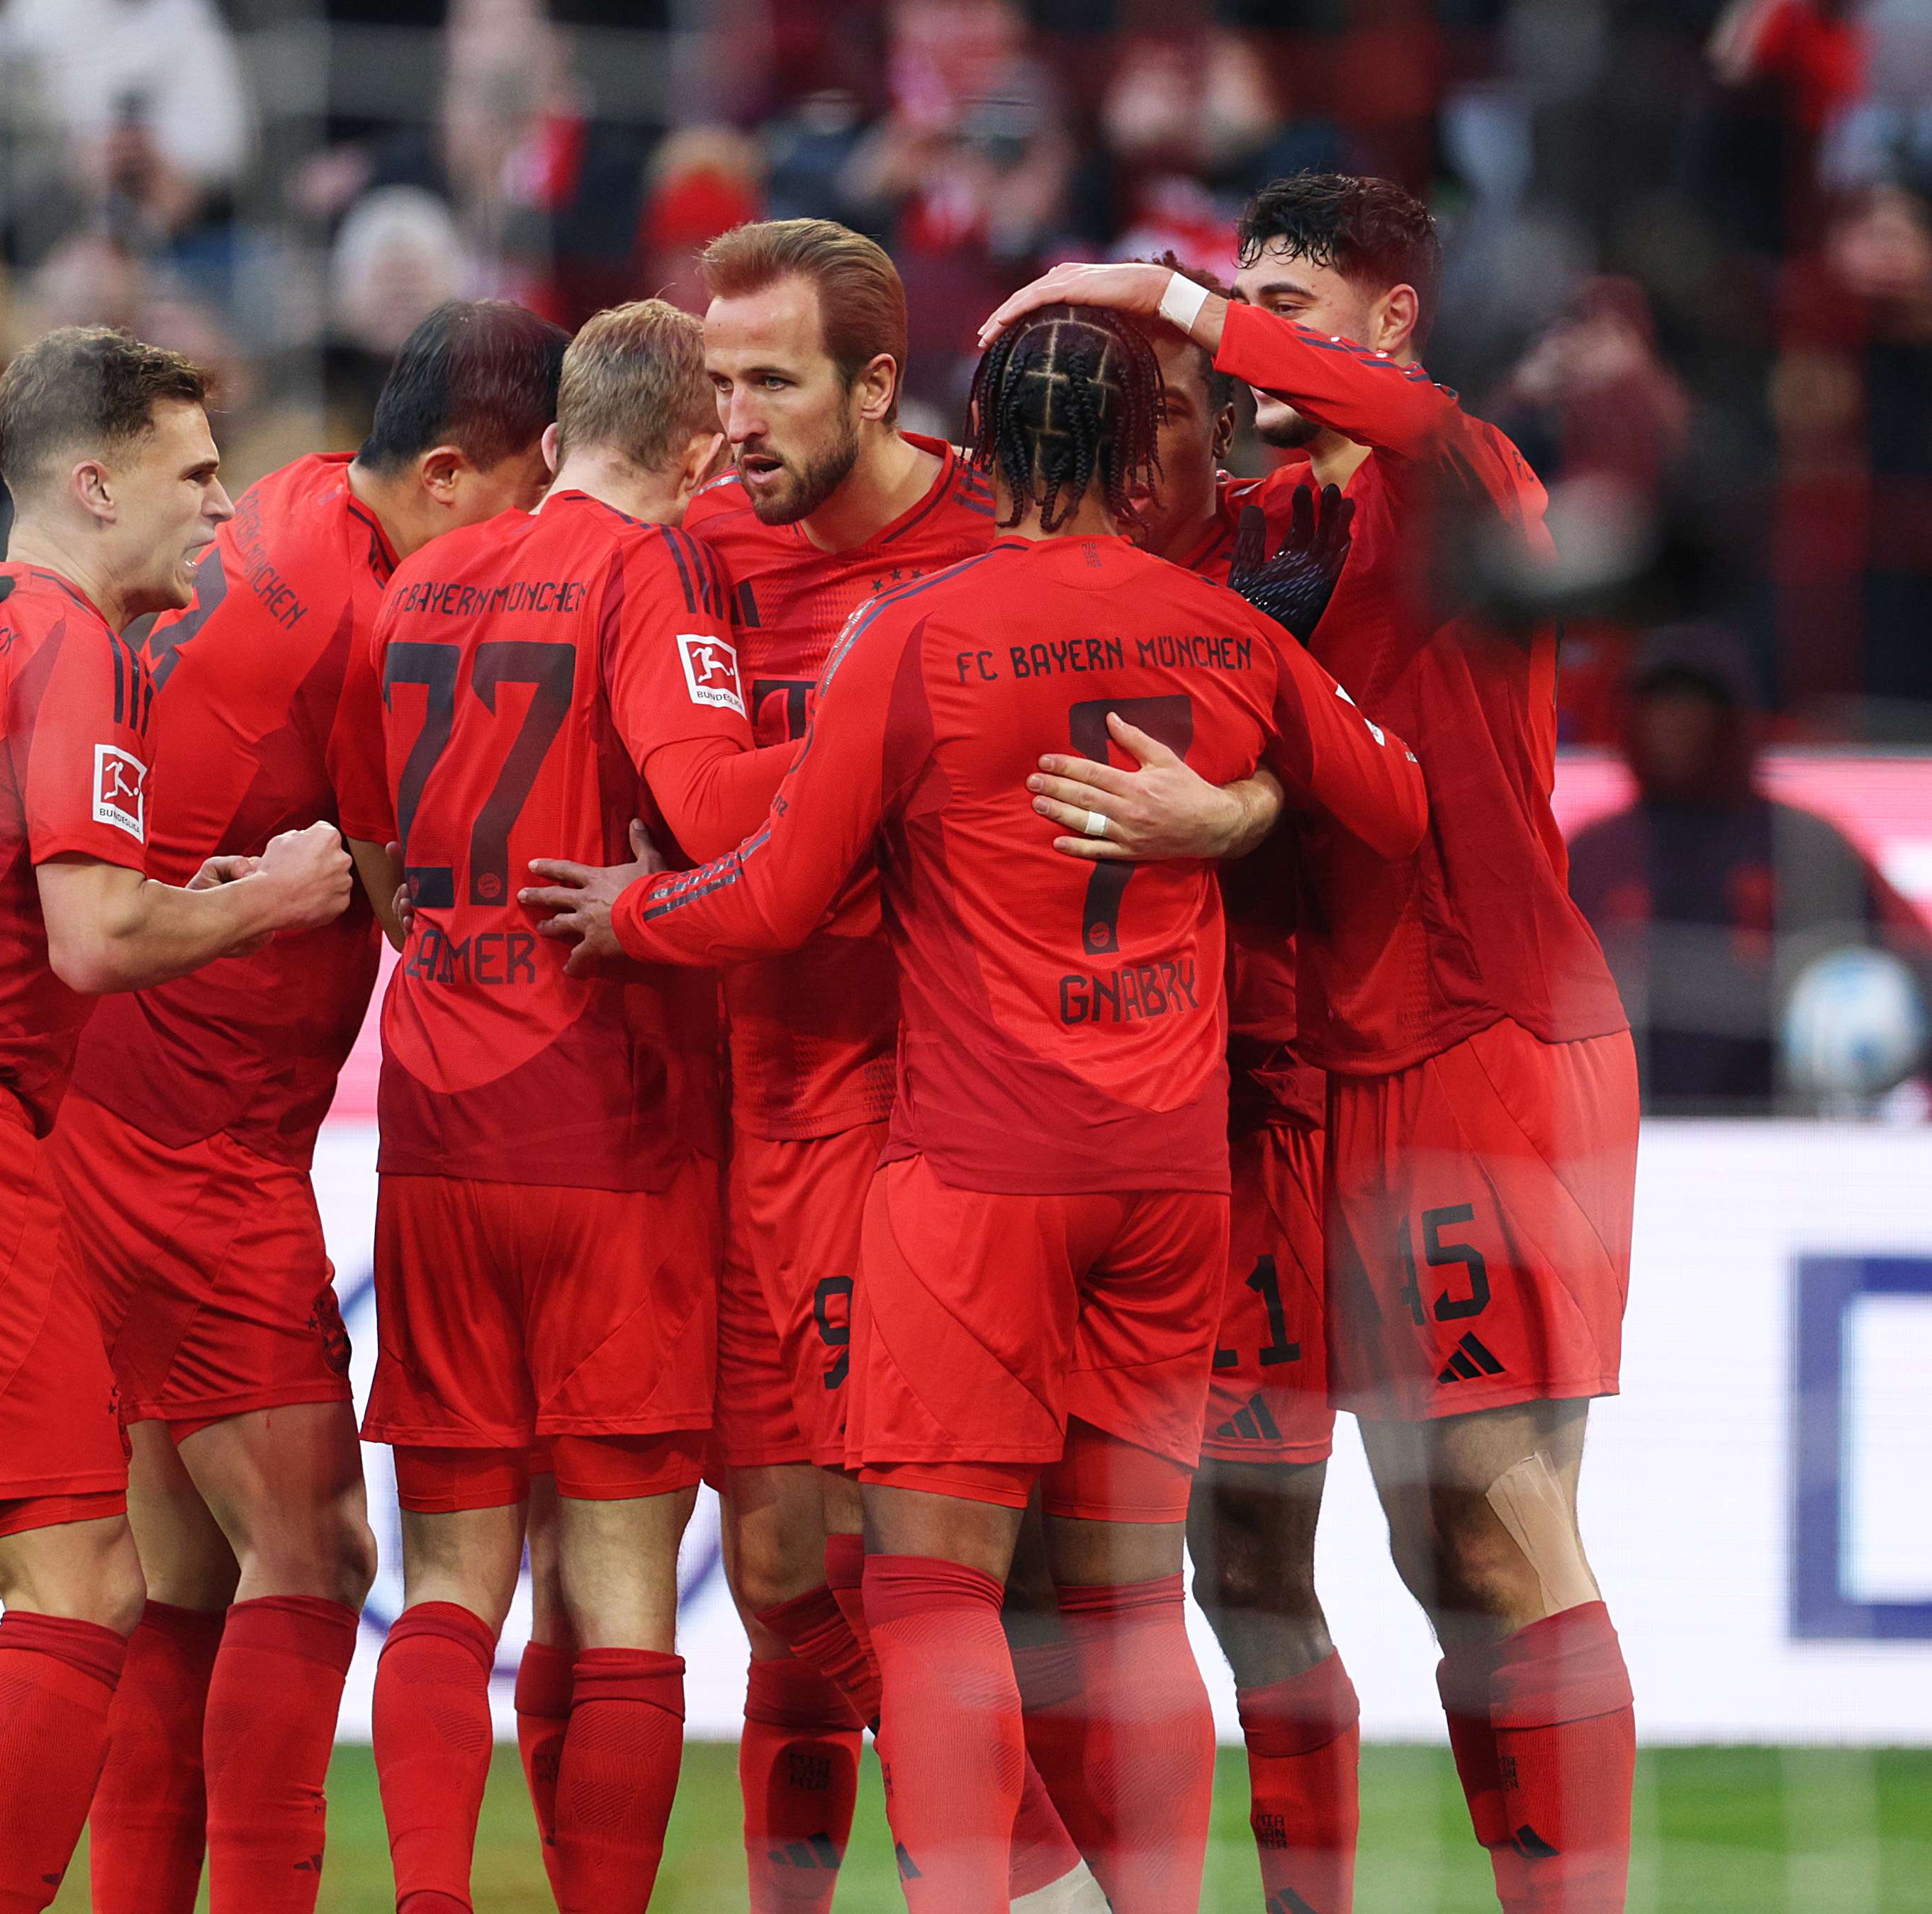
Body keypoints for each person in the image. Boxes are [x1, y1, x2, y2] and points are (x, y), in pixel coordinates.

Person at [523, 298, 1426, 1914]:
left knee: (931, 1587)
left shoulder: (915, 633)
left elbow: (777, 893)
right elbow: (1397, 800)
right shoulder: (1228, 629)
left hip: (972, 1174)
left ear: (987, 444)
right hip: (1164, 1178)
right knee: (1127, 1599)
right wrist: (1234, 804)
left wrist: (631, 915)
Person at [993, 171, 1646, 1908]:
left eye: (1288, 298)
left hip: (1471, 1046)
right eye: (1244, 293)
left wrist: (1160, 289)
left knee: (1481, 1535)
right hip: (1274, 1084)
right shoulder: (1256, 522)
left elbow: (1405, 442)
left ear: (1386, 316)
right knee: (1243, 1553)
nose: (1253, 327)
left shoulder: (1461, 472)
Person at [684, 215, 1184, 1914]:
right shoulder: (695, 548)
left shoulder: (997, 545)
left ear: (877, 385)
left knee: (951, 1575)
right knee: (778, 1577)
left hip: (931, 1124)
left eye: (767, 379)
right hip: (745, 1111)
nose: (730, 416)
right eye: (714, 375)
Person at [55, 298, 566, 1914]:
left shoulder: (289, 503)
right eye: (528, 497)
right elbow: (423, 898)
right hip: (191, 1145)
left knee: (178, 1572)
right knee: (316, 1554)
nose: (539, 542)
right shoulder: (378, 616)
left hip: (105, 1102)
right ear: (440, 472)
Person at [0, 323, 354, 1914]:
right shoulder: (68, 646)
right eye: (196, 476)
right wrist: (273, 900)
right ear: (93, 484)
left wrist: (171, 897)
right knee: (84, 1587)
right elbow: (93, 943)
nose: (224, 512)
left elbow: (17, 899)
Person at [331, 298, 788, 1914]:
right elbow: (720, 804)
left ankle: (430, 1898)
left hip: (436, 1112)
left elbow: (370, 838)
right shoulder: (649, 572)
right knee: (613, 1586)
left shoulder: (425, 576)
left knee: (447, 1577)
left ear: (552, 434)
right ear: (693, 444)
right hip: (605, 1115)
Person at [1565, 624, 1932, 1117]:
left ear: (1733, 717)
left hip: (1778, 1139)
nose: (1674, 722)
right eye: (1659, 703)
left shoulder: (1804, 846)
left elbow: (1927, 970)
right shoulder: (1596, 854)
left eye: (1694, 703)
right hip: (1631, 1137)